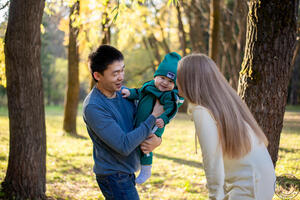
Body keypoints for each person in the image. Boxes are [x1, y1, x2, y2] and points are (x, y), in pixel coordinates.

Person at [176, 53, 276, 200]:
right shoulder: (224, 103)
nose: (176, 81)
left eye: (179, 76)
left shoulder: (201, 110)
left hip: (250, 186)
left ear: (188, 80)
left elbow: (212, 160)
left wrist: (214, 197)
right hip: (262, 180)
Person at [82, 44, 164, 200]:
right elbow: (124, 145)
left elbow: (142, 123)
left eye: (122, 70)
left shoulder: (124, 93)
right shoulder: (94, 107)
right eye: (115, 73)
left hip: (127, 171)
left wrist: (157, 140)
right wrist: (153, 116)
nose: (121, 77)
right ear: (98, 75)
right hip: (113, 176)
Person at [122, 52, 184, 184]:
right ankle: (132, 165)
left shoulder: (169, 95)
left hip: (156, 124)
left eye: (170, 81)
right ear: (156, 76)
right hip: (141, 121)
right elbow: (138, 92)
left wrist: (164, 119)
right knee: (135, 141)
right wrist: (130, 92)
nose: (165, 83)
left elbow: (172, 109)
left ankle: (146, 169)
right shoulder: (149, 86)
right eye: (162, 78)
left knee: (146, 144)